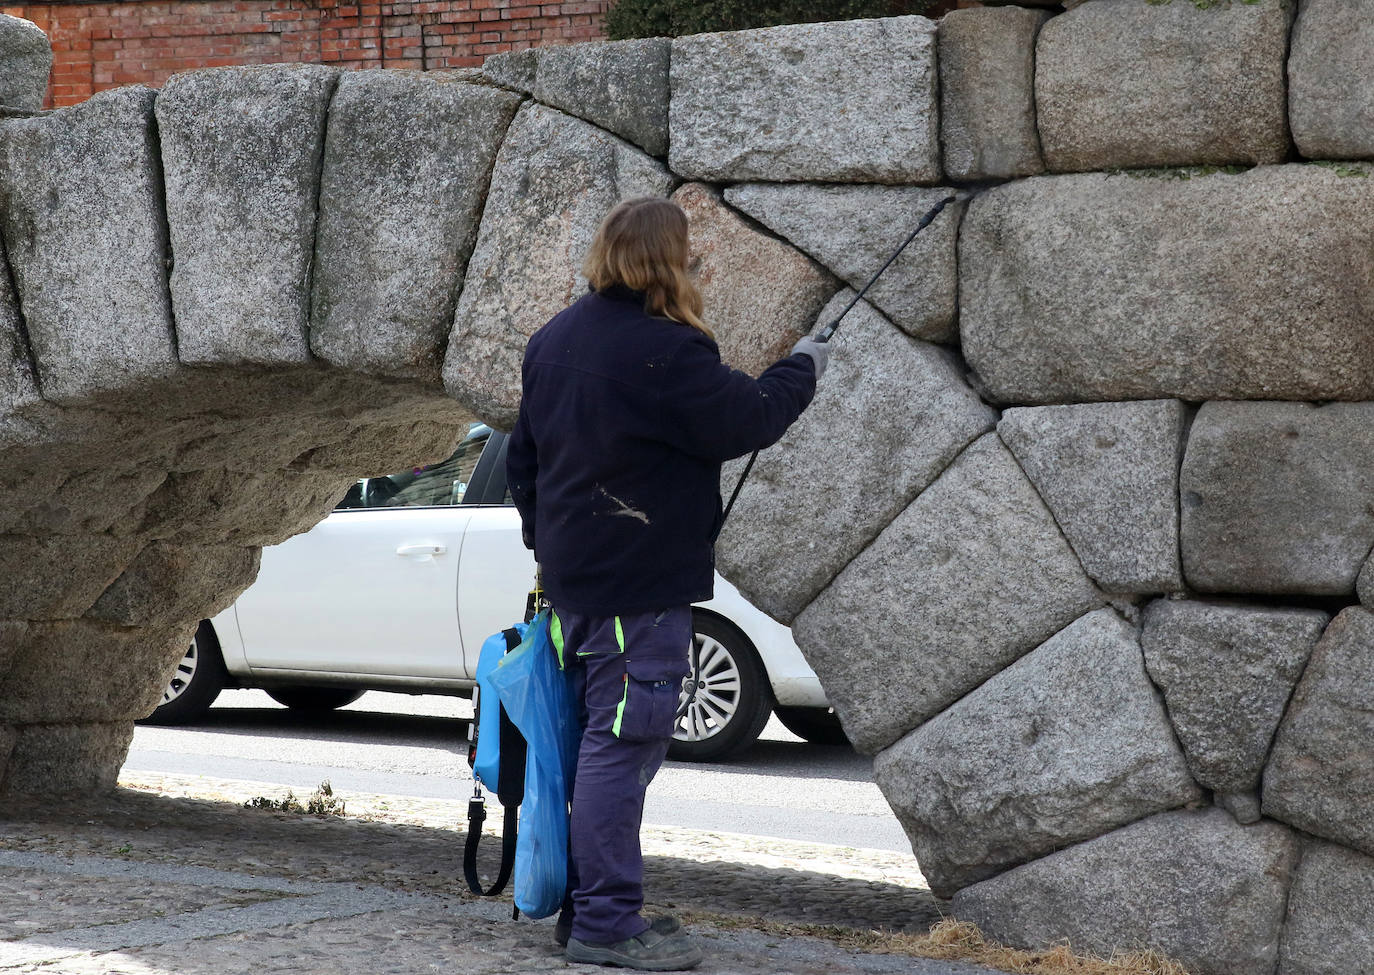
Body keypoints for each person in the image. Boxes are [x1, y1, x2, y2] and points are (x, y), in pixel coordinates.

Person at [505, 196, 827, 971]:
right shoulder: (666, 350)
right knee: (623, 746)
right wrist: (805, 366)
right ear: (663, 261)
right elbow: (745, 418)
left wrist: (551, 544)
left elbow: (524, 462)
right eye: (689, 254)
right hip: (636, 594)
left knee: (594, 747)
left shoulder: (555, 339)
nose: (696, 266)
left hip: (575, 588)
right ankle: (606, 923)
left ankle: (591, 905)